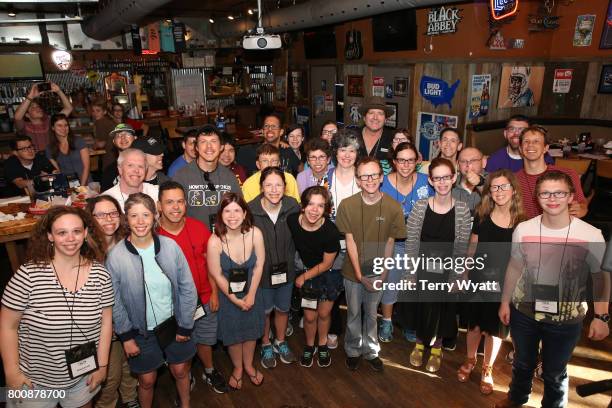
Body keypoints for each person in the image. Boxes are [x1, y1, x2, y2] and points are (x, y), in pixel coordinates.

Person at [495, 171, 610, 408]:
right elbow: (515, 266)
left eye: (559, 192)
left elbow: (600, 278)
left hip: (566, 319)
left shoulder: (591, 235)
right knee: (522, 363)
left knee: (555, 372)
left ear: (570, 197)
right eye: (545, 193)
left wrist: (601, 316)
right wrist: (505, 301)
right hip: (524, 312)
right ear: (537, 197)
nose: (552, 198)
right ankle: (516, 399)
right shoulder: (523, 229)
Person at [1, 206, 112, 408]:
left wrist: (102, 365)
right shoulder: (28, 275)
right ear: (50, 236)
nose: (71, 238)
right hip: (35, 381)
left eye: (76, 231)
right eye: (62, 232)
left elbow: (105, 323)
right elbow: (8, 327)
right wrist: (11, 372)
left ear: (86, 233)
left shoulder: (100, 275)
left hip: (83, 375)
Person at [106, 193, 197, 408]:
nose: (140, 222)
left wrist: (185, 325)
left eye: (145, 215)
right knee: (147, 381)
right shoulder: (116, 257)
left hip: (173, 324)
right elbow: (114, 300)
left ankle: (185, 404)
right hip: (140, 332)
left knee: (181, 370)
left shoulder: (170, 247)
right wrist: (126, 336)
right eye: (134, 216)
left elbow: (187, 287)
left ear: (155, 215)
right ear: (125, 219)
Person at [156, 181, 228, 394]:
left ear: (186, 204)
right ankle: (184, 380)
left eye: (179, 201)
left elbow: (210, 264)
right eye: (169, 202)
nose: (175, 207)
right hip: (172, 308)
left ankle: (209, 369)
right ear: (159, 206)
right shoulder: (152, 236)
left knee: (205, 340)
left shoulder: (198, 228)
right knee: (180, 348)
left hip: (204, 298)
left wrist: (214, 292)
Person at [401, 157, 472, 373]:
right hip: (422, 268)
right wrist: (410, 273)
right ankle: (420, 345)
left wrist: (457, 276)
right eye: (437, 178)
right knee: (422, 308)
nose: (442, 182)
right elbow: (411, 242)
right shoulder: (420, 207)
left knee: (443, 310)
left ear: (454, 178)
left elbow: (461, 248)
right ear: (430, 181)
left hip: (447, 270)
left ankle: (437, 350)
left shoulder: (462, 210)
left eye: (446, 177)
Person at [336, 157, 406, 372]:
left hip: (379, 271)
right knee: (354, 313)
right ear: (357, 180)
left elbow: (390, 243)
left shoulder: (394, 207)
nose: (370, 179)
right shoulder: (347, 205)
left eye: (374, 174)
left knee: (372, 313)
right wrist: (359, 275)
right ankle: (353, 349)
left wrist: (383, 273)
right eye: (364, 175)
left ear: (382, 177)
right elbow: (350, 242)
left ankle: (371, 350)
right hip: (352, 272)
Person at [458, 170, 524, 396]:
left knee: (495, 330)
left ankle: (487, 369)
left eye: (504, 186)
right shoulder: (481, 214)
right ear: (489, 192)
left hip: (504, 282)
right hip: (478, 279)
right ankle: (469, 360)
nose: (499, 191)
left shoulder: (521, 222)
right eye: (494, 187)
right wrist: (464, 274)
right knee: (474, 325)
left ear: (513, 190)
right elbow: (472, 246)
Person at [206, 193, 266, 390]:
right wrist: (235, 300)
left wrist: (251, 295)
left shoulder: (255, 233)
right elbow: (216, 274)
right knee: (233, 335)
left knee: (250, 333)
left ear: (245, 212)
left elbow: (259, 265)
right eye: (227, 211)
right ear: (220, 214)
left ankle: (248, 365)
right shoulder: (214, 241)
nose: (232, 215)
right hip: (228, 297)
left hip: (253, 291)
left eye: (237, 210)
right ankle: (238, 367)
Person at [85, 196, 139, 408]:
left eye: (113, 213)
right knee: (109, 375)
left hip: (130, 318)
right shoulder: (84, 251)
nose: (108, 219)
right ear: (90, 218)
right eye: (100, 214)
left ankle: (130, 398)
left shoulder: (129, 241)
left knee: (131, 367)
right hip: (103, 326)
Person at [379, 142, 433, 343]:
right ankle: (386, 321)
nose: (406, 165)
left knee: (413, 286)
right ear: (394, 162)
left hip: (419, 243)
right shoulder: (382, 182)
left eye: (410, 160)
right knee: (391, 284)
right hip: (391, 243)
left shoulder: (428, 182)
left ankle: (411, 323)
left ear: (417, 162)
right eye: (401, 160)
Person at [248, 167, 300, 369]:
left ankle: (281, 341)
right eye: (268, 185)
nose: (274, 189)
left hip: (286, 270)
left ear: (285, 187)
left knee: (283, 309)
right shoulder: (250, 210)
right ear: (261, 187)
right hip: (261, 274)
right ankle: (266, 343)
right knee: (264, 311)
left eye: (278, 185)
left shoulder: (293, 205)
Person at [288, 186, 341, 368]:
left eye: (320, 206)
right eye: (310, 204)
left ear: (326, 210)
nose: (314, 210)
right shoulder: (292, 221)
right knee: (310, 317)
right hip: (306, 271)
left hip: (328, 273)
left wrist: (303, 277)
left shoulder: (331, 232)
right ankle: (310, 346)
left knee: (324, 313)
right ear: (303, 206)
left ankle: (323, 344)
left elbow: (327, 264)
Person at [325, 129, 361, 349]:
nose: (346, 155)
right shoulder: (326, 176)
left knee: (357, 289)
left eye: (351, 150)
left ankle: (357, 335)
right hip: (333, 238)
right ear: (335, 152)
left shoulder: (364, 175)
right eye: (342, 149)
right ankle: (332, 329)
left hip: (359, 237)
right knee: (333, 288)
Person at [173, 125, 242, 231]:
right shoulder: (181, 176)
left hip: (224, 236)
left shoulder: (230, 178)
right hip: (193, 238)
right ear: (196, 147)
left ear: (221, 147)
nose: (209, 146)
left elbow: (239, 211)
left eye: (213, 141)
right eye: (203, 142)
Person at [515, 125, 587, 219]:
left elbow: (582, 205)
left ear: (545, 148)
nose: (530, 145)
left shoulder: (568, 174)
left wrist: (581, 208)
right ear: (520, 149)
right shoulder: (514, 180)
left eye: (536, 141)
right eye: (526, 141)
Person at [14, 82, 73, 153]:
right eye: (33, 108)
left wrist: (59, 91)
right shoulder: (25, 126)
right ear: (27, 115)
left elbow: (68, 108)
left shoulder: (50, 121)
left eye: (38, 106)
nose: (38, 108)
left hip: (53, 157)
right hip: (36, 160)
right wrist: (31, 96)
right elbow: (17, 117)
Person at [236, 114, 300, 176]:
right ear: (262, 131)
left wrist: (295, 149)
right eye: (266, 126)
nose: (270, 129)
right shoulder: (246, 152)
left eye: (274, 126)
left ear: (281, 132)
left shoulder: (287, 151)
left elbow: (303, 171)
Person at [485, 115, 553, 173]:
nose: (516, 133)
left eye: (522, 130)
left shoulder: (542, 156)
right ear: (505, 134)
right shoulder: (494, 160)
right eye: (512, 129)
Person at [46, 113, 91, 187]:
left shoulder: (79, 141)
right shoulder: (49, 148)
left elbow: (86, 167)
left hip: (86, 184)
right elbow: (58, 171)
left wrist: (81, 188)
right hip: (68, 186)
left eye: (66, 125)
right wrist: (55, 173)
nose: (63, 128)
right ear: (53, 128)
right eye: (59, 125)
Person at [100, 124, 137, 191]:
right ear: (114, 141)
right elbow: (105, 196)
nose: (123, 137)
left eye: (127, 134)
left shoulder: (144, 165)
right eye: (118, 135)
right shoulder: (109, 171)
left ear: (135, 138)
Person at [356, 96, 395, 161]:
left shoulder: (393, 139)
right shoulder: (352, 136)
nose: (375, 117)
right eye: (371, 113)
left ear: (385, 119)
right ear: (364, 118)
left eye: (380, 113)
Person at [452, 147, 488, 215]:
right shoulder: (450, 185)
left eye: (474, 160)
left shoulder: (495, 181)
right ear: (458, 165)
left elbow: (495, 197)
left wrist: (480, 183)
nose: (468, 165)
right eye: (463, 161)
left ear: (484, 162)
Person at [91, 99, 119, 169]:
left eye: (98, 111)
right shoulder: (107, 120)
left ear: (104, 112)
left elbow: (101, 144)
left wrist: (93, 146)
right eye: (93, 111)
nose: (95, 113)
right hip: (116, 152)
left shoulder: (100, 122)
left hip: (110, 154)